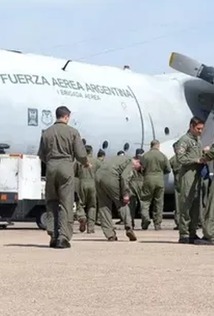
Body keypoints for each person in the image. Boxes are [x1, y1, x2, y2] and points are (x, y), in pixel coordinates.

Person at [37, 105, 89, 249]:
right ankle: (63, 237)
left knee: (52, 202)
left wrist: (51, 163)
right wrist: (85, 163)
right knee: (66, 204)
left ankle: (53, 235)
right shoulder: (72, 132)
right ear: (66, 117)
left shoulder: (46, 132)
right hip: (66, 167)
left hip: (51, 168)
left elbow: (41, 154)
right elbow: (80, 153)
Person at [173, 116, 205, 244]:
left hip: (197, 175)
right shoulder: (184, 141)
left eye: (202, 129)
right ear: (191, 126)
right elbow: (180, 158)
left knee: (196, 205)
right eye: (198, 129)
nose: (200, 131)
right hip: (188, 174)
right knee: (186, 204)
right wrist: (195, 160)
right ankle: (184, 233)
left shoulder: (197, 140)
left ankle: (193, 231)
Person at [95, 153, 140, 241]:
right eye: (139, 167)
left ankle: (110, 234)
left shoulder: (119, 158)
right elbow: (124, 177)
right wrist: (126, 194)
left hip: (98, 176)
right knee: (122, 202)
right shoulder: (129, 162)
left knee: (104, 206)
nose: (138, 170)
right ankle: (129, 228)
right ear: (137, 161)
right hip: (110, 176)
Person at [139, 140, 171, 230]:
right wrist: (160, 172)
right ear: (158, 146)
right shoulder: (162, 156)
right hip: (159, 180)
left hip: (148, 179)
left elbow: (140, 169)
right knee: (159, 202)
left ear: (151, 145)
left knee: (145, 201)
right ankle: (157, 224)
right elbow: (168, 169)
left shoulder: (145, 156)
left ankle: (145, 219)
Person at [75, 145, 100, 234]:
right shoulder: (97, 161)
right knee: (92, 206)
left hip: (82, 183)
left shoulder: (78, 161)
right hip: (93, 184)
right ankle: (91, 228)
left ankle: (82, 217)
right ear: (91, 151)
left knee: (80, 203)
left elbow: (74, 173)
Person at [169, 152, 180, 231]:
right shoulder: (187, 156)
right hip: (187, 181)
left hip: (178, 181)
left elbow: (167, 168)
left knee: (178, 203)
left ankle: (179, 222)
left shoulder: (173, 159)